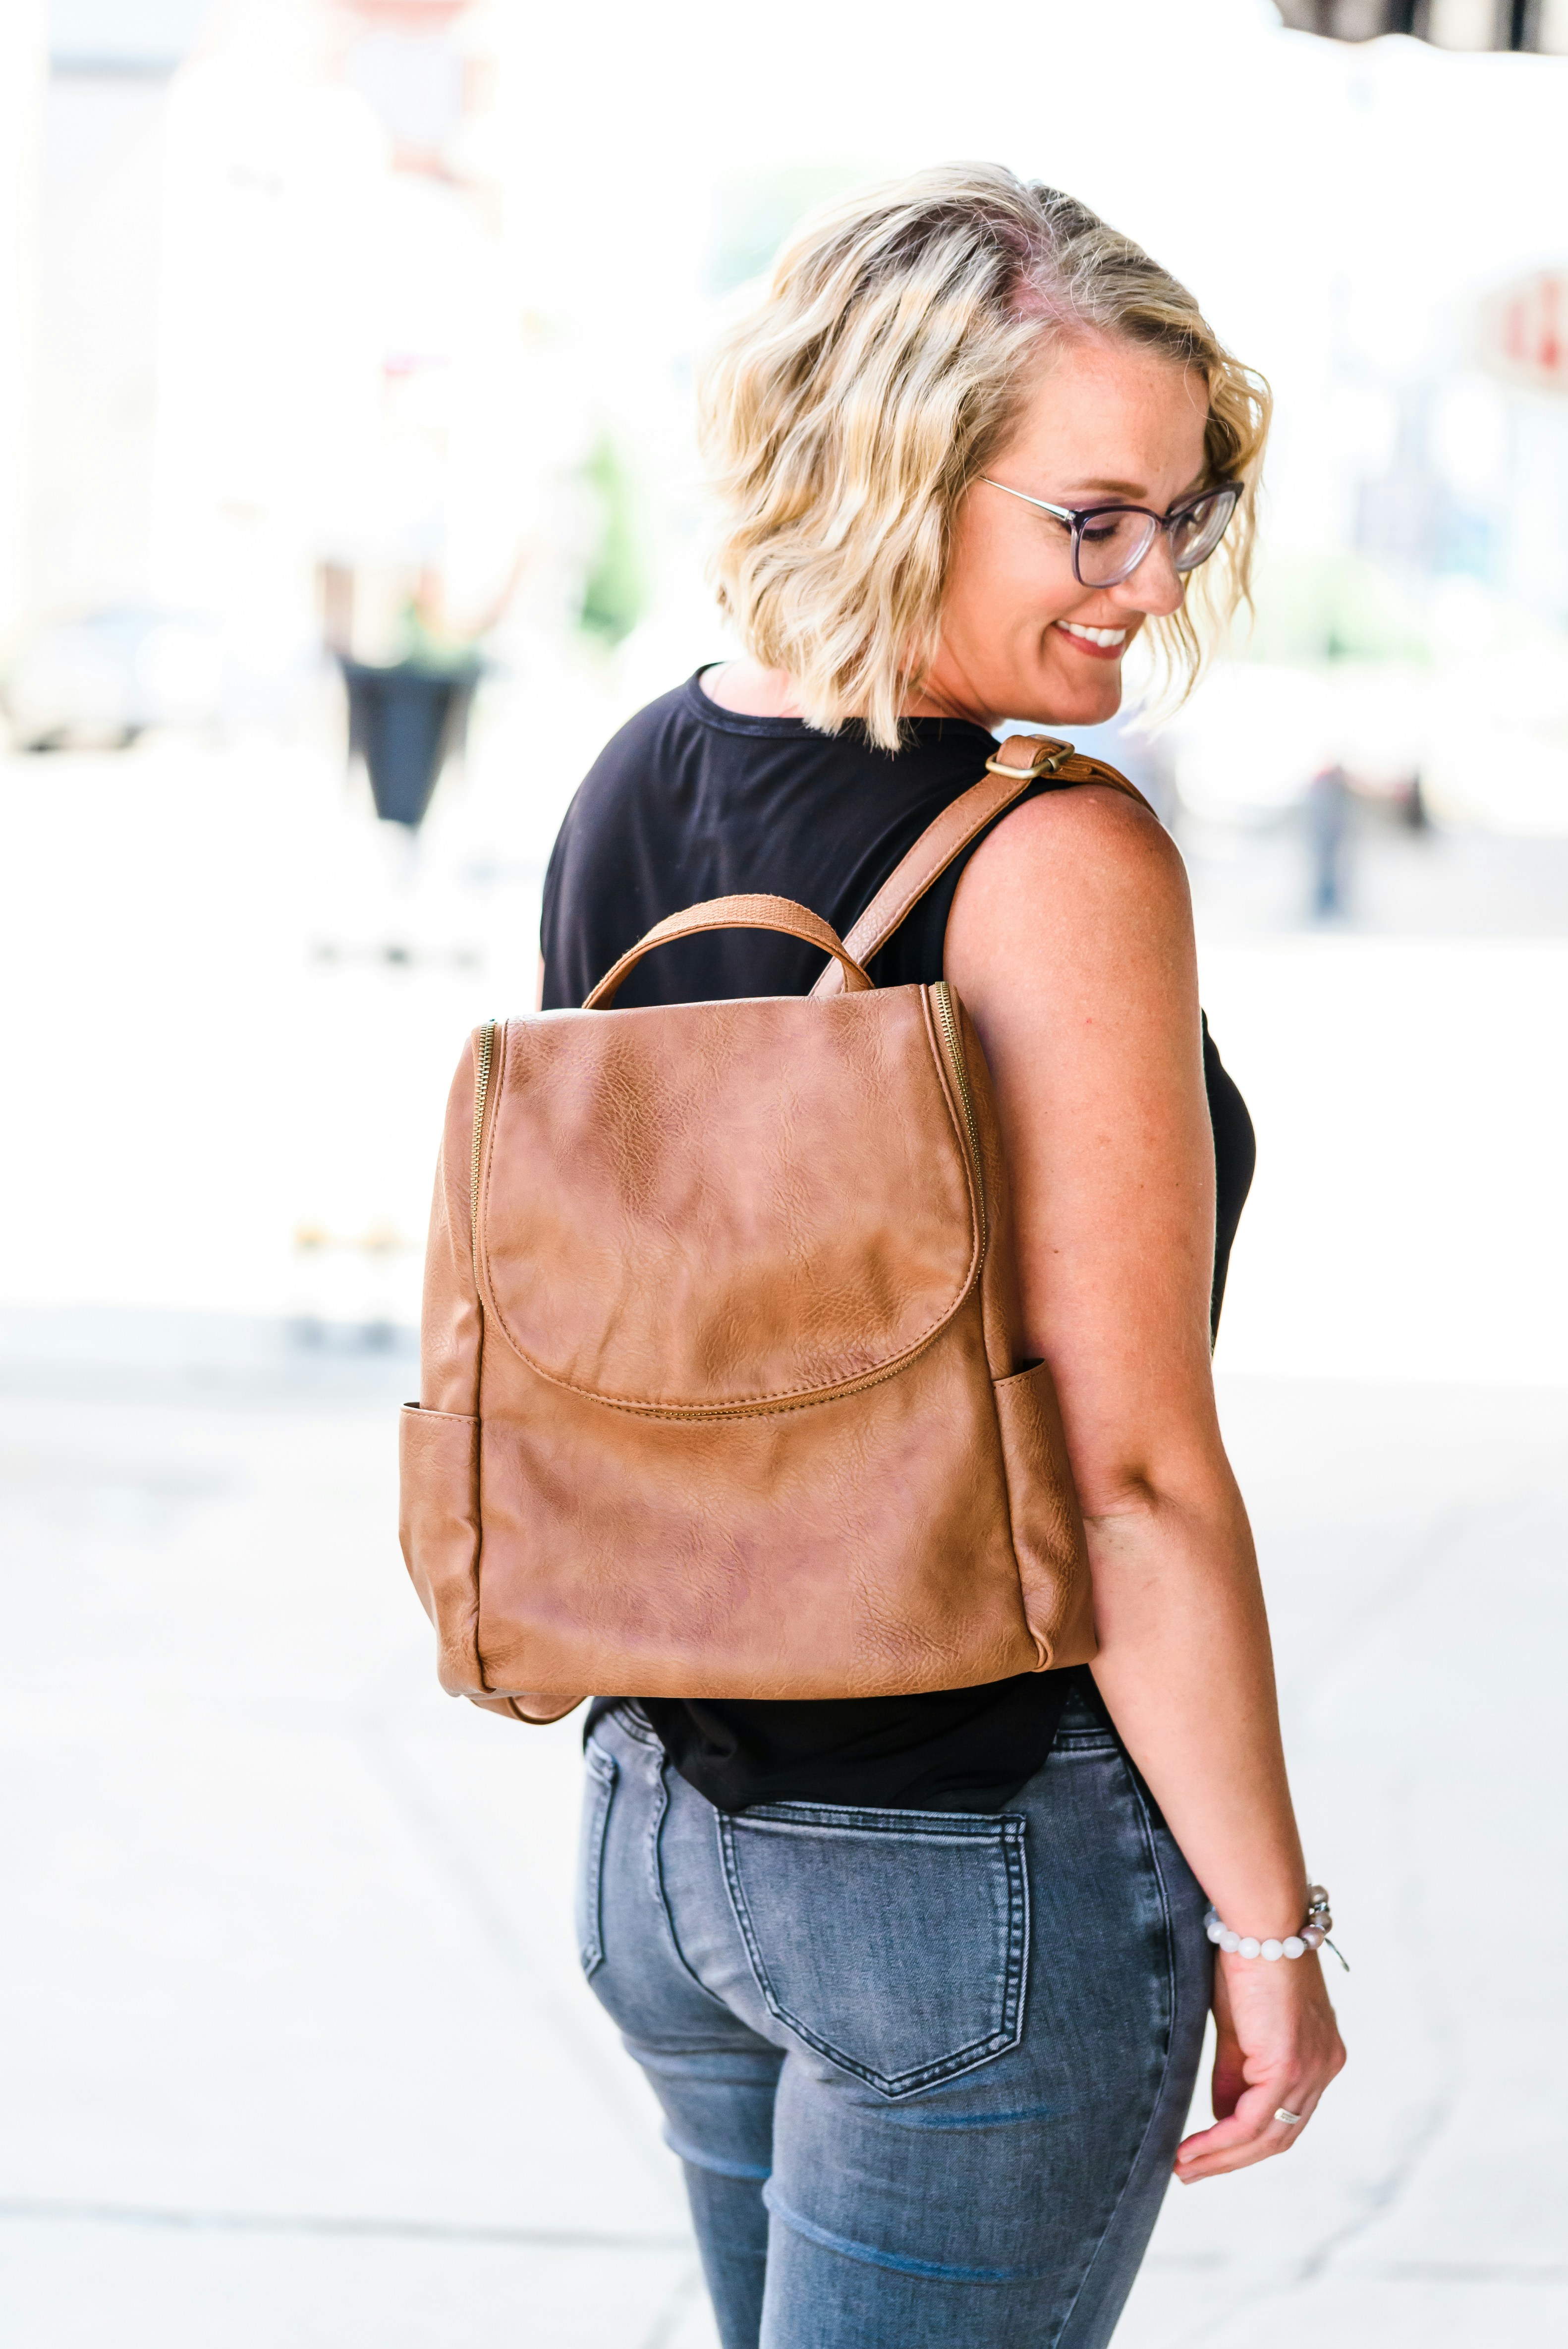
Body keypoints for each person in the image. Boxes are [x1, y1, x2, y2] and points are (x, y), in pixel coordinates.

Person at [539, 166, 1345, 2349]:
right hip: (958, 1859)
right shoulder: (1050, 853)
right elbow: (1127, 1474)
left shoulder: (639, 782)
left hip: (662, 1825)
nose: (1148, 581)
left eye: (1177, 515)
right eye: (1088, 518)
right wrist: (1267, 1929)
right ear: (901, 468)